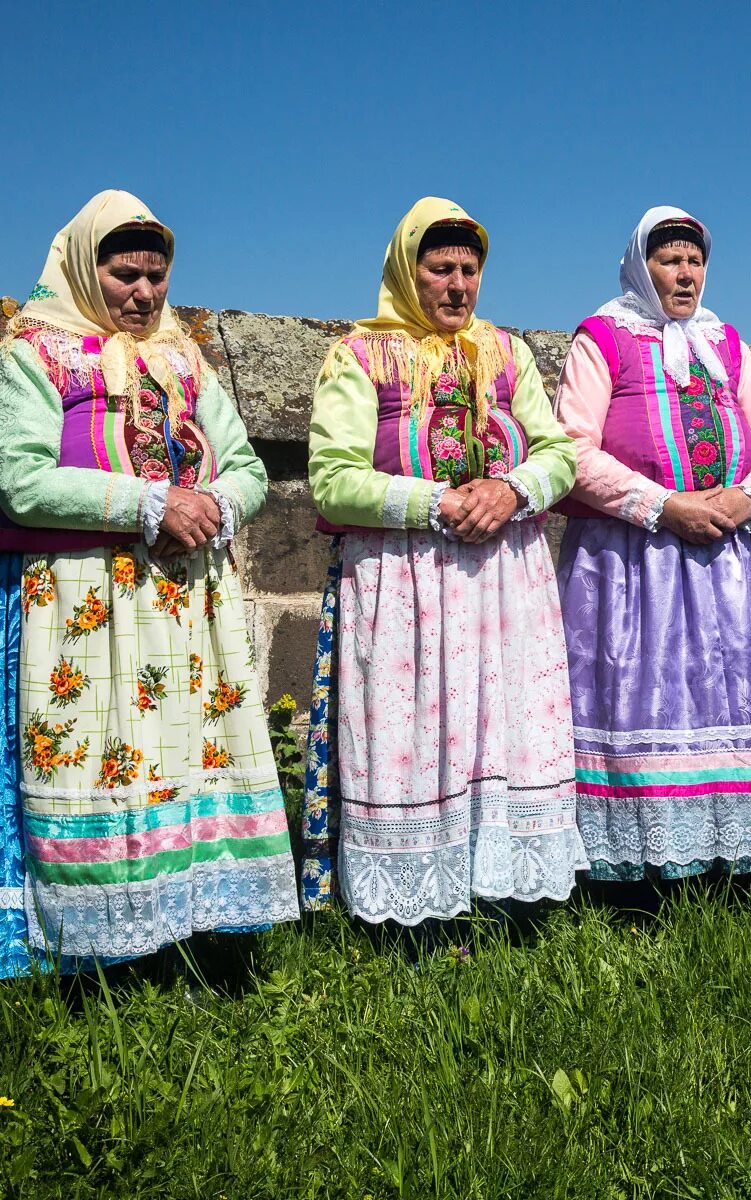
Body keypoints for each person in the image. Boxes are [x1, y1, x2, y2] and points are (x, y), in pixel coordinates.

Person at [0, 190, 298, 978]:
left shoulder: (185, 359)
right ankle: (80, 956)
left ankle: (180, 938)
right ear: (84, 266)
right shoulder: (32, 355)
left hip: (184, 606)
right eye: (124, 274)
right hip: (77, 602)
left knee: (180, 765)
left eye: (156, 276)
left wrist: (213, 503)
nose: (143, 294)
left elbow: (246, 467)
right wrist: (149, 502)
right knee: (87, 764)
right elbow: (25, 482)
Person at [305, 197, 587, 923]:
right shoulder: (359, 356)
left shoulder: (506, 353)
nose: (458, 285)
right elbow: (333, 477)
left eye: (470, 270)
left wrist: (511, 488)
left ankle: (503, 898)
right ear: (408, 270)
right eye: (440, 269)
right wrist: (434, 502)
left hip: (505, 576)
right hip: (407, 578)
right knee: (414, 733)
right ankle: (411, 910)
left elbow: (559, 452)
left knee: (505, 725)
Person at [553, 206, 751, 882]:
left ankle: (739, 863)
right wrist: (662, 506)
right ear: (643, 266)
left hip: (730, 561)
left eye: (694, 261)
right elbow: (570, 450)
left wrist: (746, 496)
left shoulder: (725, 342)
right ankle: (641, 877)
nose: (685, 272)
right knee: (647, 707)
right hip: (638, 564)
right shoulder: (603, 338)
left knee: (732, 708)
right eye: (670, 260)